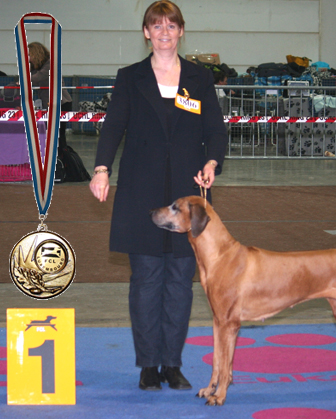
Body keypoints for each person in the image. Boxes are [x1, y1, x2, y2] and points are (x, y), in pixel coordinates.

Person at [89, 0, 227, 392]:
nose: (164, 32)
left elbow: (216, 130)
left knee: (181, 283)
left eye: (172, 25)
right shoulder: (130, 77)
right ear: (147, 33)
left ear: (181, 31)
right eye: (157, 26)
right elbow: (113, 126)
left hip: (190, 197)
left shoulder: (200, 79)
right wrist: (101, 170)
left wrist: (213, 161)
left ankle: (173, 364)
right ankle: (148, 365)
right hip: (141, 192)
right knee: (147, 280)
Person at [28, 42, 72, 156]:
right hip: (47, 104)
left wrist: (23, 80)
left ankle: (64, 162)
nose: (29, 58)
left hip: (61, 103)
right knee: (50, 135)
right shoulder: (34, 66)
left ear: (36, 54)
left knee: (58, 135)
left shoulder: (50, 64)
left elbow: (38, 77)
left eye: (30, 55)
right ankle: (55, 159)